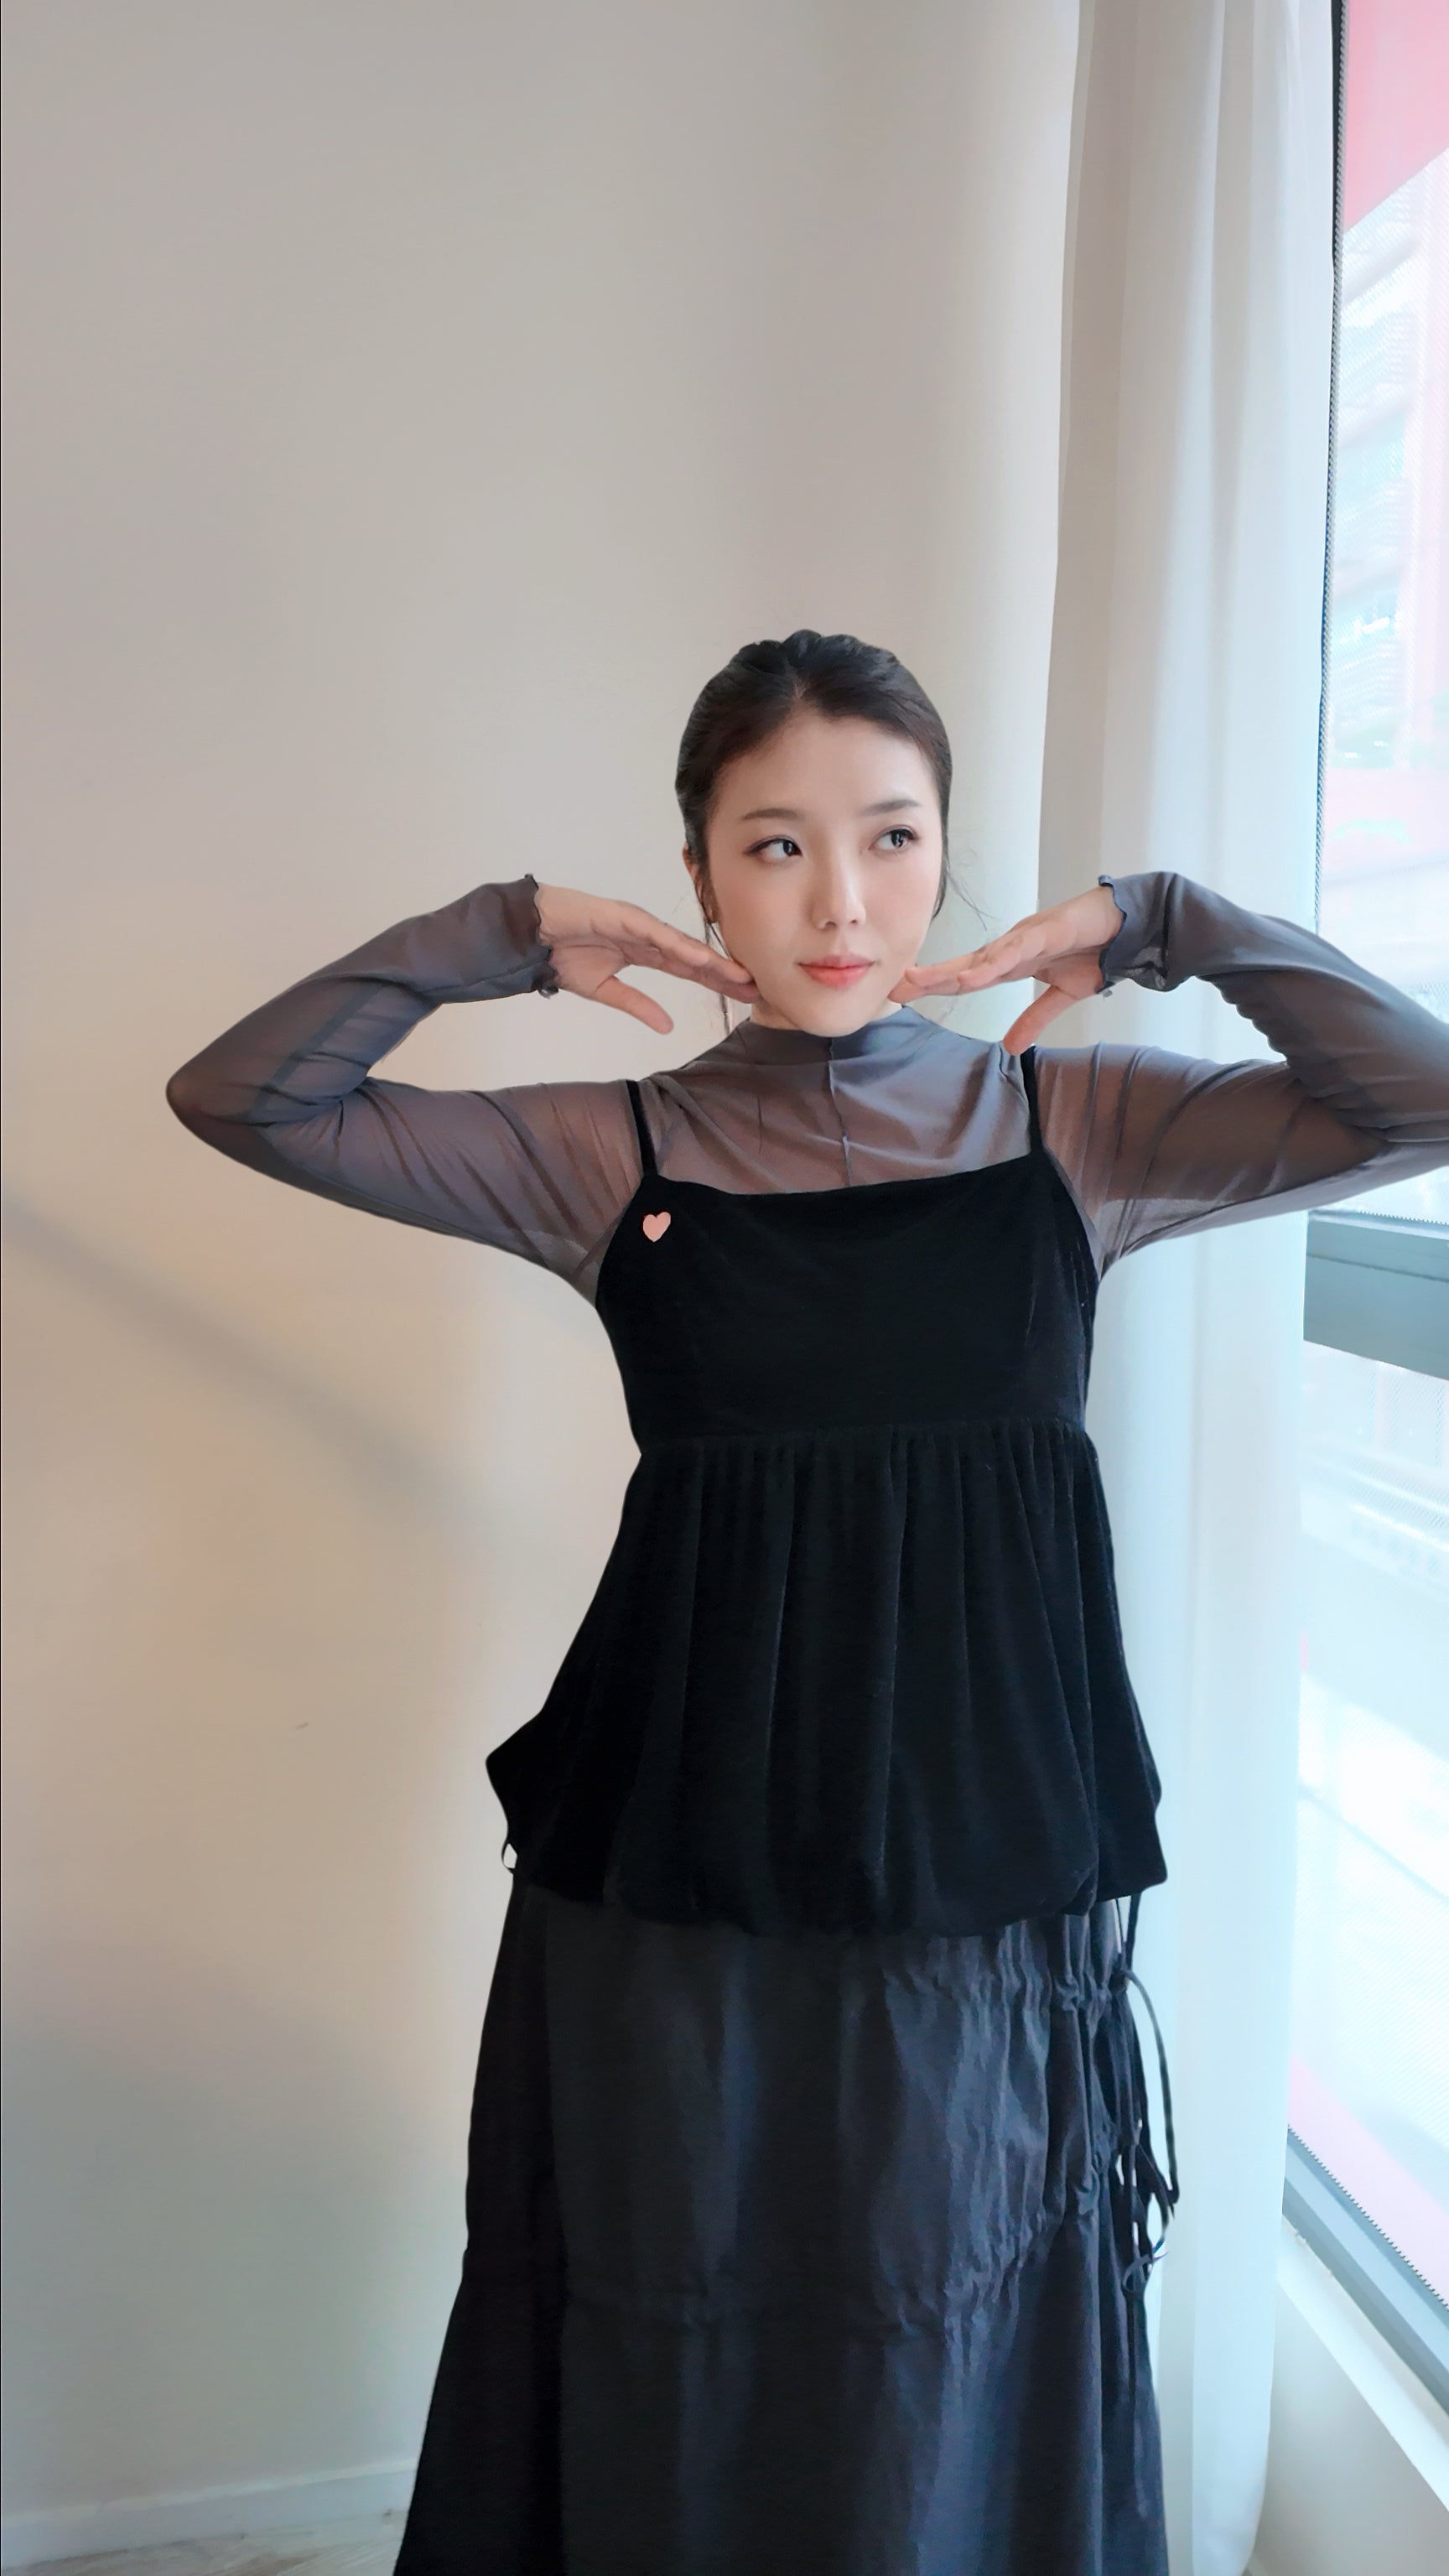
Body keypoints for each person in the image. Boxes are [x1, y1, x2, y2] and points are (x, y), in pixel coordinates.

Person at [166, 631, 1449, 2576]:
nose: (839, 901)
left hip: (978, 1868)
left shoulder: (1072, 1130)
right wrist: (498, 937)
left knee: (948, 2323)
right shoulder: (613, 1150)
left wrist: (1172, 921)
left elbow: (1415, 1100)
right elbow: (246, 1099)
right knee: (680, 2317)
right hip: (679, 1873)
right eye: (774, 846)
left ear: (946, 855)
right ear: (696, 876)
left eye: (890, 836)